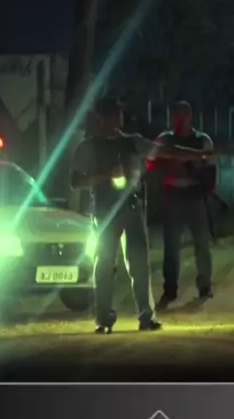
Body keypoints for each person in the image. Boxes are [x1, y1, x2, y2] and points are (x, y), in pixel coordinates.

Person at [71, 97, 209, 334]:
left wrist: (198, 154)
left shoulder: (133, 141)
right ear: (101, 118)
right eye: (113, 114)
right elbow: (76, 181)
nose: (118, 118)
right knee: (104, 265)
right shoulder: (88, 146)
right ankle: (104, 319)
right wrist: (106, 176)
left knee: (138, 265)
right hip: (104, 211)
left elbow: (165, 152)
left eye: (118, 113)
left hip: (131, 208)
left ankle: (146, 317)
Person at [152, 102, 216, 309]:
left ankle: (204, 285)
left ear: (190, 117)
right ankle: (170, 288)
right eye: (177, 115)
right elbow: (152, 163)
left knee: (201, 243)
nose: (180, 120)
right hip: (173, 194)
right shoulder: (164, 140)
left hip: (194, 194)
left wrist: (207, 189)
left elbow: (211, 168)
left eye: (183, 115)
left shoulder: (202, 140)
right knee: (171, 246)